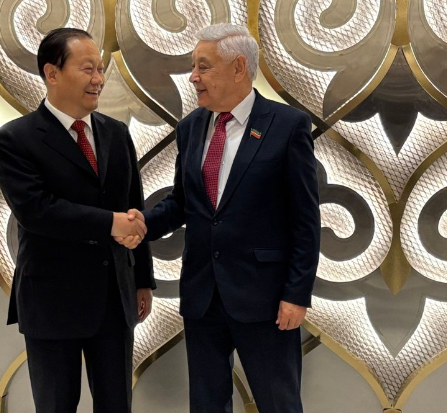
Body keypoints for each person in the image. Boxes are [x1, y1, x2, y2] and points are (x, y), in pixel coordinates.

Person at [118, 23, 320, 413]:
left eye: (203, 66)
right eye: (193, 67)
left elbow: (305, 220)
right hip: (202, 295)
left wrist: (296, 294)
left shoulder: (287, 125)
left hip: (265, 298)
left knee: (278, 402)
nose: (193, 77)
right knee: (206, 405)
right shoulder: (191, 127)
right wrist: (140, 225)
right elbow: (183, 203)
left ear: (238, 67)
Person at [0, 27, 155, 413]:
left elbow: (134, 207)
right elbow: (37, 211)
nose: (98, 79)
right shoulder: (15, 139)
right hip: (52, 300)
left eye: (100, 69)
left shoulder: (116, 134)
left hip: (114, 299)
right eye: (87, 69)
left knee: (117, 405)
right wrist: (111, 223)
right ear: (52, 73)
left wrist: (142, 280)